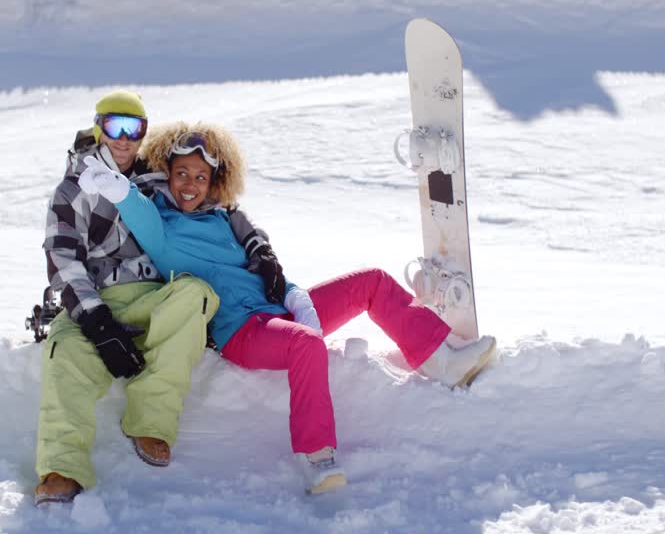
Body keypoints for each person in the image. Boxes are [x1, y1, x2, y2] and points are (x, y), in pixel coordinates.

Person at [78, 121, 497, 495]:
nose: (190, 184)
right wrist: (116, 187)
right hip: (242, 332)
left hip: (276, 309)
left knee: (372, 281)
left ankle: (441, 360)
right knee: (305, 344)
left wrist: (294, 294)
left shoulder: (223, 222)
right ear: (167, 176)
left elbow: (263, 272)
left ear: (213, 182)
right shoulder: (162, 228)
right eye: (182, 173)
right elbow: (135, 207)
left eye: (201, 176)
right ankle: (316, 455)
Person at [35, 91, 221, 506]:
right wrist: (97, 322)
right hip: (96, 300)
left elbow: (216, 216)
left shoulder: (158, 180)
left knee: (196, 295)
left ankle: (149, 420)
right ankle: (62, 467)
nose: (124, 139)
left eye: (134, 129)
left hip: (154, 298)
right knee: (64, 353)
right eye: (115, 127)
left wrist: (257, 246)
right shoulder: (72, 189)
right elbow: (62, 258)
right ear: (99, 126)